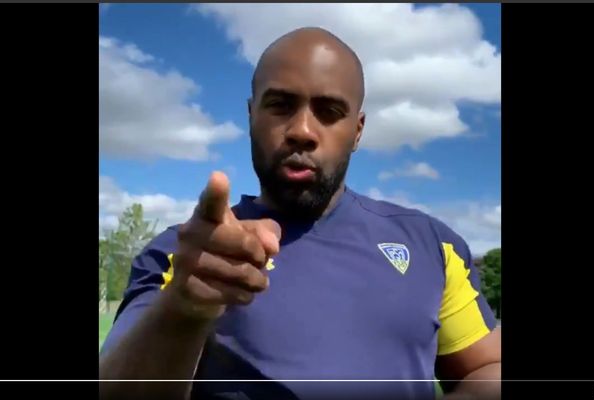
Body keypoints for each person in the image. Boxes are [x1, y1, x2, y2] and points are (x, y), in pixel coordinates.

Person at [99, 27, 501, 400]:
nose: (303, 131)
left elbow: (486, 367)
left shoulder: (430, 244)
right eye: (280, 105)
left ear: (357, 131)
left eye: (328, 111)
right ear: (251, 115)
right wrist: (184, 308)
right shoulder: (188, 254)